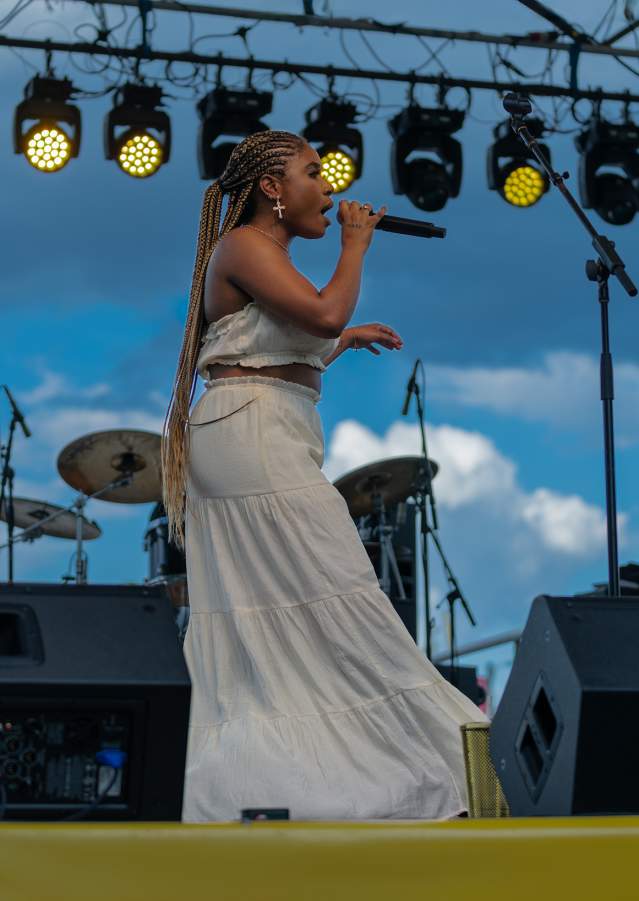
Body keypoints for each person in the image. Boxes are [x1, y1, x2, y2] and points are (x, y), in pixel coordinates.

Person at [162, 130, 487, 823]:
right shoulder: (246, 244)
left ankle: (305, 775)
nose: (330, 189)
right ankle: (405, 767)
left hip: (261, 424)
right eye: (314, 173)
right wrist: (354, 246)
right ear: (273, 189)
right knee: (338, 585)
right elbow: (321, 311)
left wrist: (339, 343)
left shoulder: (263, 254)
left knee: (305, 599)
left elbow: (277, 348)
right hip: (248, 433)